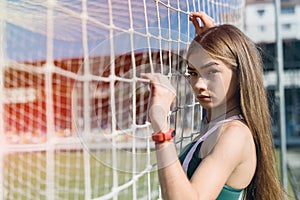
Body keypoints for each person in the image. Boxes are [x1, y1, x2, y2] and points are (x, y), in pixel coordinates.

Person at [141, 12, 285, 200]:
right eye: (193, 72)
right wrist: (211, 41)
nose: (199, 84)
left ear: (240, 73)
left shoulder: (235, 135)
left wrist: (161, 127)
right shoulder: (216, 122)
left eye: (212, 72)